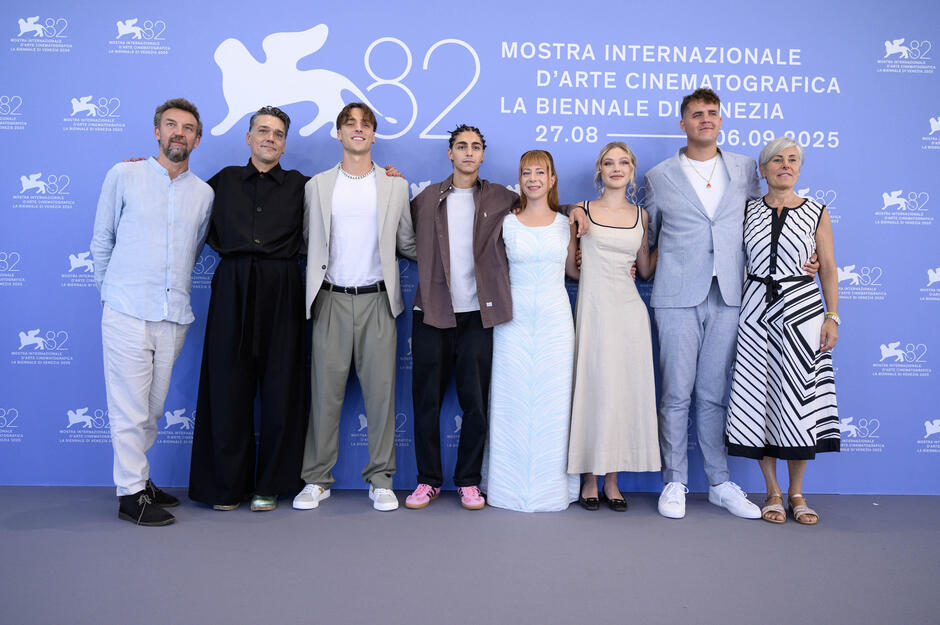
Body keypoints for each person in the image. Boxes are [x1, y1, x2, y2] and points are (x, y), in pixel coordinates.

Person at [405, 126, 588, 510]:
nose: (468, 153)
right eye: (461, 146)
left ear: (483, 155)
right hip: (432, 312)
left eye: (475, 147)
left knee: (476, 402)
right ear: (450, 153)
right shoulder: (424, 199)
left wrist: (576, 210)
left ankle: (469, 481)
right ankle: (427, 481)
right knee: (425, 402)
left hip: (478, 315)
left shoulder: (501, 199)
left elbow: (544, 209)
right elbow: (404, 239)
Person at [90, 98, 213, 526]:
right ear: (157, 132)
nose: (179, 133)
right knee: (128, 407)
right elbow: (101, 241)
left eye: (188, 128)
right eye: (171, 125)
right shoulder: (124, 175)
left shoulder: (204, 194)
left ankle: (139, 480)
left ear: (197, 139)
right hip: (125, 310)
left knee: (152, 409)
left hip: (173, 313)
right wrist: (111, 294)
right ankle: (130, 495)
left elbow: (193, 251)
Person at [292, 103, 416, 512]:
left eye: (365, 125)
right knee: (324, 395)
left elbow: (407, 244)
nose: (358, 130)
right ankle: (316, 480)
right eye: (350, 124)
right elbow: (309, 243)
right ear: (338, 133)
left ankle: (381, 480)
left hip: (379, 301)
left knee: (381, 397)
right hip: (330, 299)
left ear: (374, 135)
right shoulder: (317, 186)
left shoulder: (396, 185)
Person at [188, 106, 307, 512]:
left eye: (277, 133)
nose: (270, 138)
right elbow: (179, 201)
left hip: (282, 285)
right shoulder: (220, 182)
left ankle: (270, 484)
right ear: (248, 137)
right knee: (227, 387)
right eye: (262, 131)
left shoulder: (301, 187)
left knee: (281, 389)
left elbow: (347, 205)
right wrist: (147, 173)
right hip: (233, 286)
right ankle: (225, 486)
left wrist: (391, 178)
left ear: (285, 143)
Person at [725, 137, 840, 525]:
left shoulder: (816, 212)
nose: (785, 165)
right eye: (777, 160)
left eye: (792, 160)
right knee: (761, 398)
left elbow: (827, 268)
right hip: (756, 311)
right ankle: (772, 490)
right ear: (762, 170)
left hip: (802, 311)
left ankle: (796, 493)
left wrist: (832, 316)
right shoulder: (746, 211)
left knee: (798, 401)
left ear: (800, 169)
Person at [483, 150, 579, 512]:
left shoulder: (566, 222)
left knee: (555, 402)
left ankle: (553, 487)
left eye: (541, 172)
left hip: (556, 320)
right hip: (513, 321)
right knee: (511, 398)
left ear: (552, 179)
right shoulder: (506, 222)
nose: (534, 178)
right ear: (519, 179)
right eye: (527, 172)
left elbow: (573, 271)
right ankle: (505, 485)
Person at [567, 142, 659, 511]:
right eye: (609, 163)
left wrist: (676, 241)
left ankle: (613, 480)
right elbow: (572, 271)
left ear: (632, 170)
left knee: (622, 393)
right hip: (593, 311)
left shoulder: (642, 216)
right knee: (593, 388)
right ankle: (589, 476)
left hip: (630, 315)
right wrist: (577, 251)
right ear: (599, 171)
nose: (616, 168)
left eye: (623, 162)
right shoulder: (581, 210)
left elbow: (646, 270)